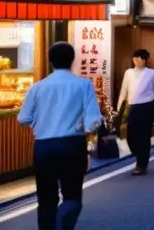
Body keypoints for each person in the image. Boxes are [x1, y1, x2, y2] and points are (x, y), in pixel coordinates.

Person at [17, 41, 103, 229]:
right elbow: (93, 121)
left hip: (44, 147)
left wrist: (41, 122)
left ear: (50, 61)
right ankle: (62, 224)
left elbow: (23, 118)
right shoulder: (83, 85)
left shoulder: (37, 87)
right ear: (72, 60)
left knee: (46, 198)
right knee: (72, 196)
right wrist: (84, 127)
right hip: (72, 145)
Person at [116, 48, 154, 175]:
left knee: (144, 136)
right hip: (133, 106)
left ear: (145, 60)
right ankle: (138, 154)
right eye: (134, 58)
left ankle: (141, 164)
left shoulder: (152, 73)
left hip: (147, 107)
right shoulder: (128, 73)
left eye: (139, 58)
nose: (136, 60)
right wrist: (119, 106)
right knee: (131, 134)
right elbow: (123, 90)